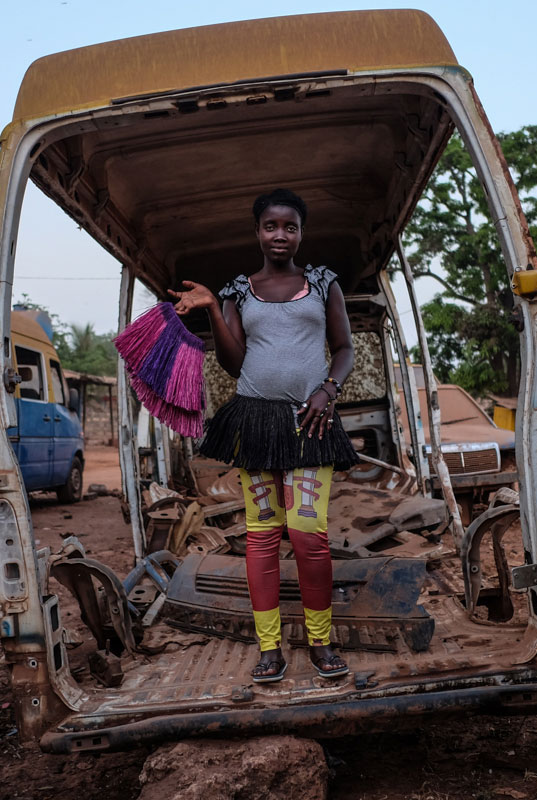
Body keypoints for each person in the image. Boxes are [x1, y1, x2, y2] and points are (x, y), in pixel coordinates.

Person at [168, 188, 358, 683]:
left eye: (290, 226)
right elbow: (232, 363)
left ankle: (321, 640)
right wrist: (212, 307)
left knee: (307, 534)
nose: (280, 235)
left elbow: (344, 348)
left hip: (309, 421)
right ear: (257, 232)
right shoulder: (238, 291)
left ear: (301, 233)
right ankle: (269, 647)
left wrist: (328, 390)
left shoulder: (322, 283)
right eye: (271, 226)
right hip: (254, 422)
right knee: (262, 537)